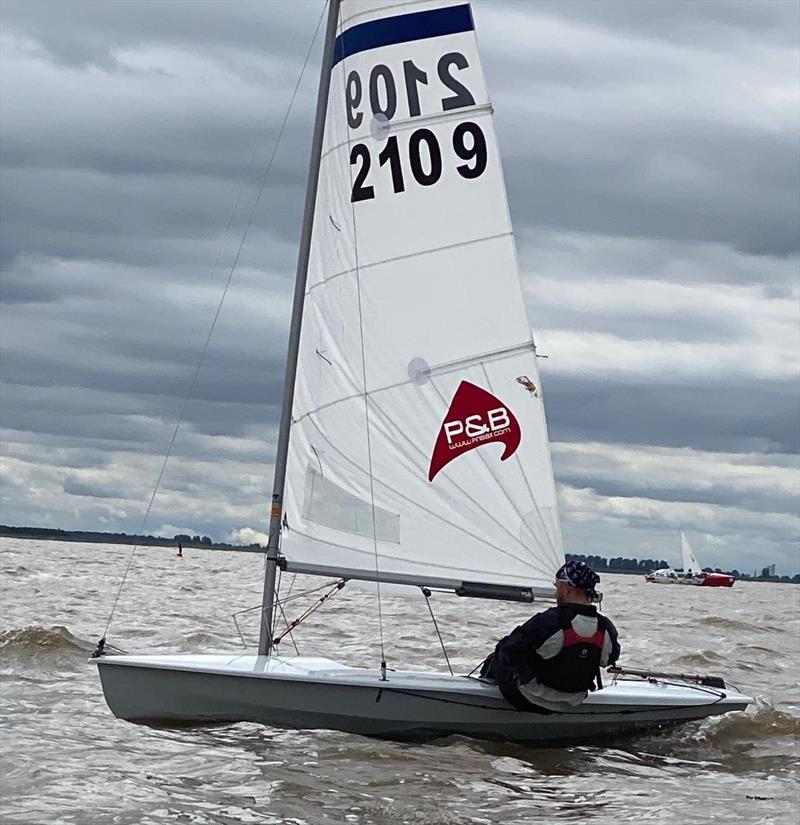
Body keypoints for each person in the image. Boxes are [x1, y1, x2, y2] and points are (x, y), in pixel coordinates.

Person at [480, 559, 620, 712]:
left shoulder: (547, 622)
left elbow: (509, 652)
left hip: (530, 698)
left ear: (567, 587)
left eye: (557, 586)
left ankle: (480, 697)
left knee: (501, 651)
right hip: (575, 700)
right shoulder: (605, 628)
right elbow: (610, 659)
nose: (555, 592)